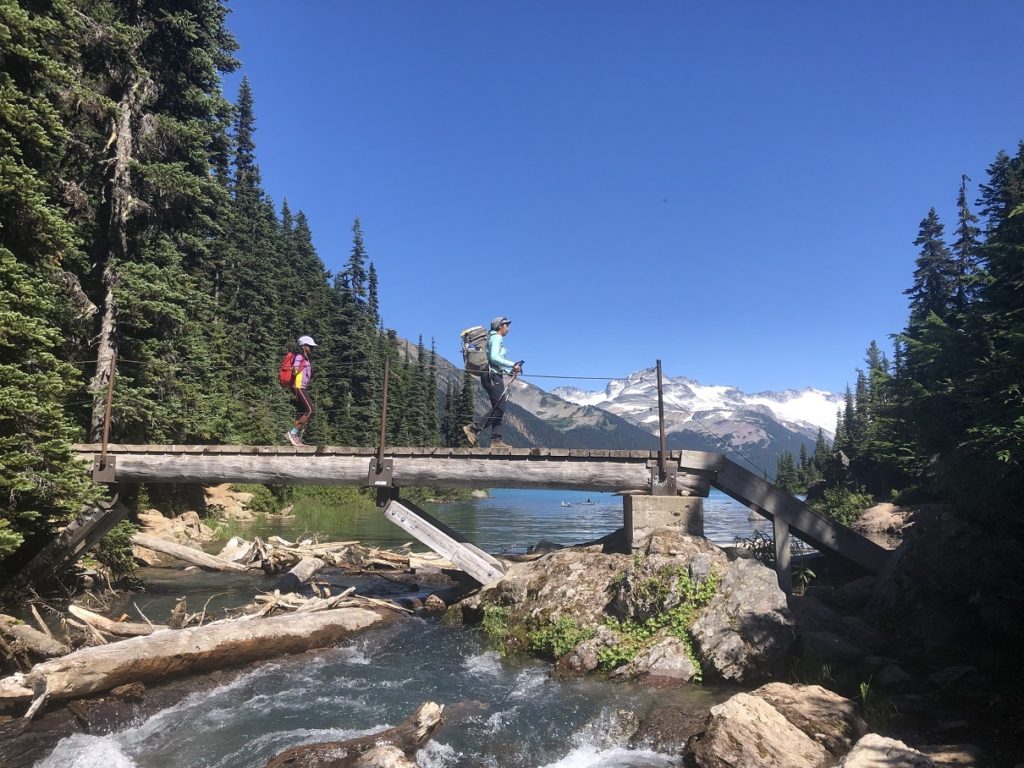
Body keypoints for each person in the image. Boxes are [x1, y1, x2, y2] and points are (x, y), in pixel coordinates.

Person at [463, 316, 521, 448]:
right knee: (500, 408)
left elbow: (493, 360)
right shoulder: (497, 338)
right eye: (506, 325)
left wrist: (508, 371)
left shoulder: (491, 338)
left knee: (498, 408)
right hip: (492, 376)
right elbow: (494, 357)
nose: (508, 328)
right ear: (500, 326)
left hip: (490, 375)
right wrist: (513, 365)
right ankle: (474, 428)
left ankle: (496, 440)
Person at [285, 335, 317, 446]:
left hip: (301, 386)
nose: (312, 348)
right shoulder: (299, 356)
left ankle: (293, 436)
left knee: (304, 411)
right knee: (310, 410)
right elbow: (294, 370)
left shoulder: (306, 357)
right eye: (310, 346)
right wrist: (298, 368)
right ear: (303, 346)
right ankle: (292, 433)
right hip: (298, 386)